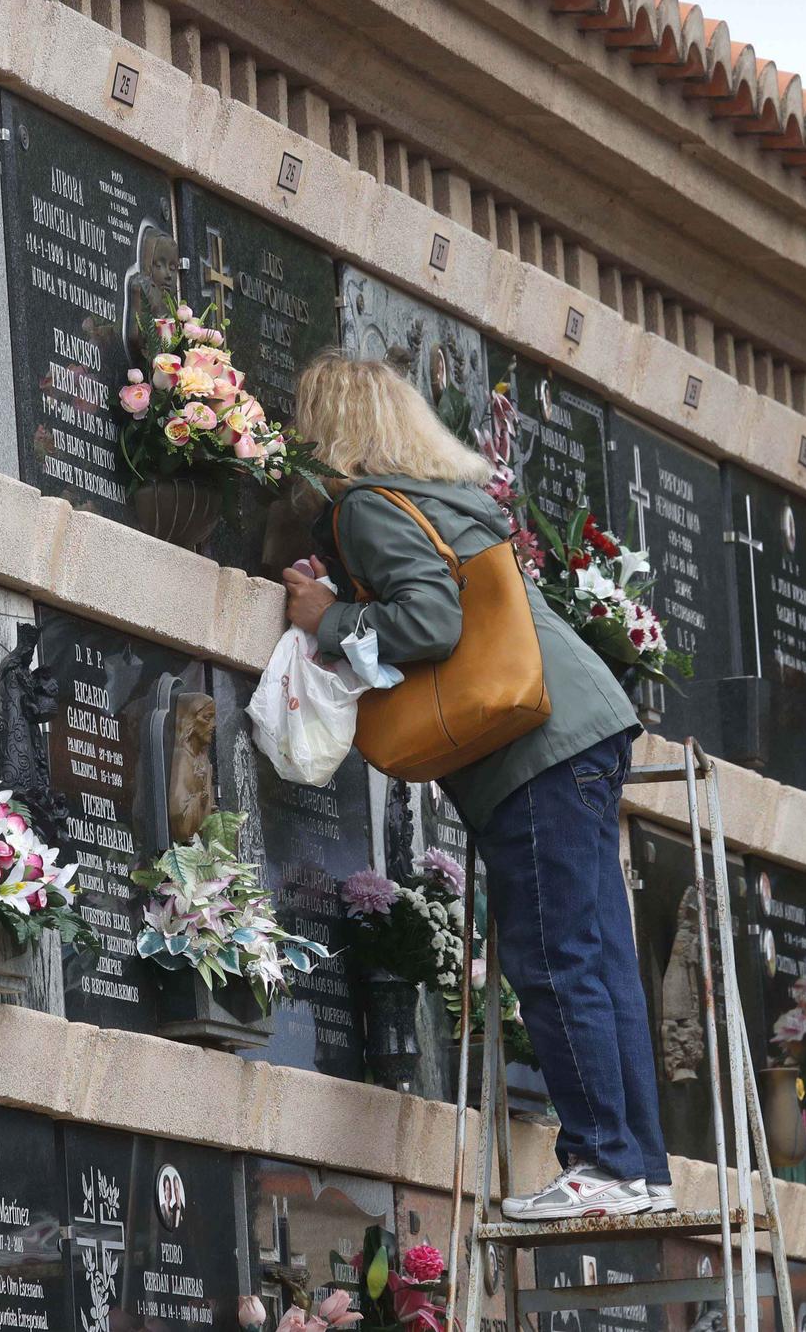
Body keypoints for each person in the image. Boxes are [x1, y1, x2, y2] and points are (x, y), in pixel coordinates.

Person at [281, 351, 671, 1221]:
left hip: (530, 747)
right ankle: (638, 1166)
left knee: (554, 954)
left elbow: (429, 618)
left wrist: (329, 618)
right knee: (602, 956)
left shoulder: (366, 507)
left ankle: (602, 1164)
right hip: (585, 725)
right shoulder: (446, 495)